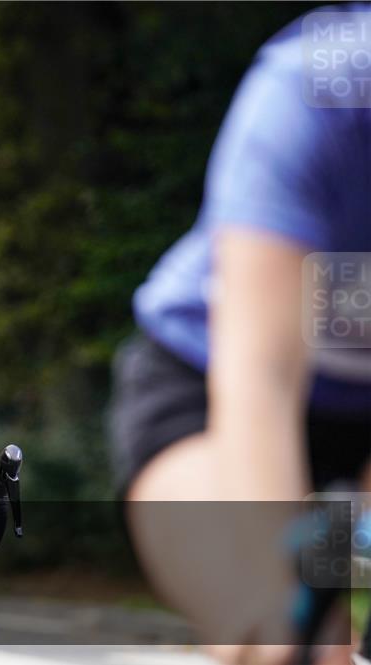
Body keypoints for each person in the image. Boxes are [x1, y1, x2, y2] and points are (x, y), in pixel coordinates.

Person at [110, 5, 370, 664]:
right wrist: (284, 587)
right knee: (275, 627)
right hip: (211, 384)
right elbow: (261, 376)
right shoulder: (309, 92)